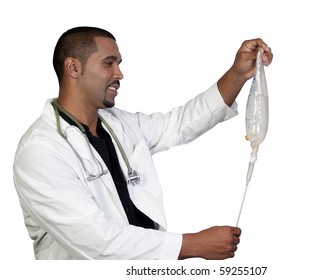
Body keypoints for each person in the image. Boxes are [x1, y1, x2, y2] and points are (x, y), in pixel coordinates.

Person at [13, 26, 273, 260]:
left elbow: (180, 124)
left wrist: (238, 75)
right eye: (109, 63)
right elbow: (96, 241)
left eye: (119, 63)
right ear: (73, 68)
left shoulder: (118, 125)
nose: (119, 73)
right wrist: (191, 245)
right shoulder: (40, 150)